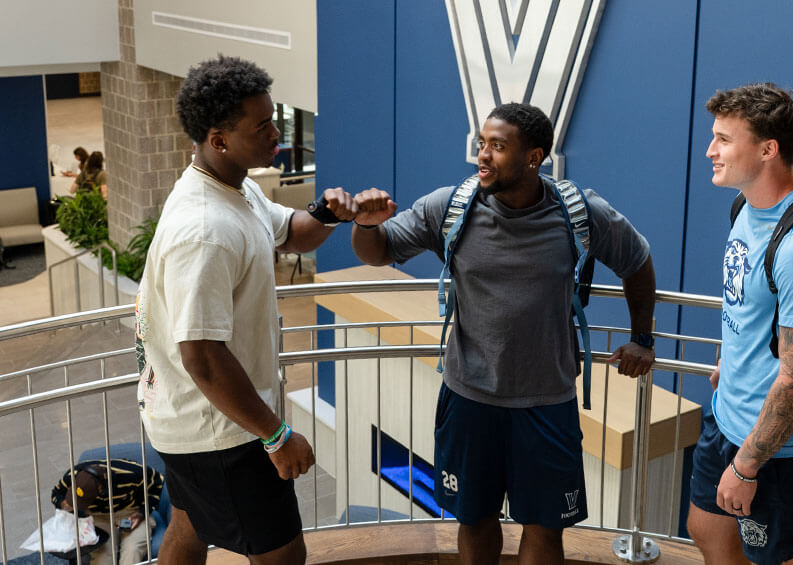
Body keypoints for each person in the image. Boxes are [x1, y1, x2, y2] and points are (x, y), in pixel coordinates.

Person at [351, 102, 656, 564]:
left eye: (497, 146)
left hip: (547, 402)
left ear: (533, 158)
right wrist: (364, 224)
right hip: (469, 398)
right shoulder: (450, 208)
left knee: (545, 530)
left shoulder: (580, 214)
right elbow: (379, 251)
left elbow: (638, 262)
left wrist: (642, 339)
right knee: (473, 521)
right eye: (481, 144)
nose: (483, 155)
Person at [135, 55, 358, 565]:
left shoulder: (235, 187)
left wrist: (328, 212)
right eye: (262, 127)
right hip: (221, 433)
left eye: (273, 118)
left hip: (191, 420)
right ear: (219, 139)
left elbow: (290, 232)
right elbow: (203, 356)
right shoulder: (205, 228)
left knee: (189, 530)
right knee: (282, 555)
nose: (277, 133)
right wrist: (276, 435)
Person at [688, 83, 793, 565]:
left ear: (767, 150)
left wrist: (747, 465)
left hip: (780, 452)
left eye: (724, 139)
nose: (710, 150)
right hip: (728, 418)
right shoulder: (746, 208)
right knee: (706, 529)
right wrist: (729, 362)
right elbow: (746, 305)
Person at [50, 459, 164, 565]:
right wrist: (63, 504)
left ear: (102, 490)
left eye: (84, 502)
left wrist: (142, 512)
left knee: (132, 550)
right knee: (102, 557)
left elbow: (158, 485)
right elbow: (56, 493)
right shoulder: (72, 475)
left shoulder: (133, 473)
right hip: (96, 516)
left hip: (131, 512)